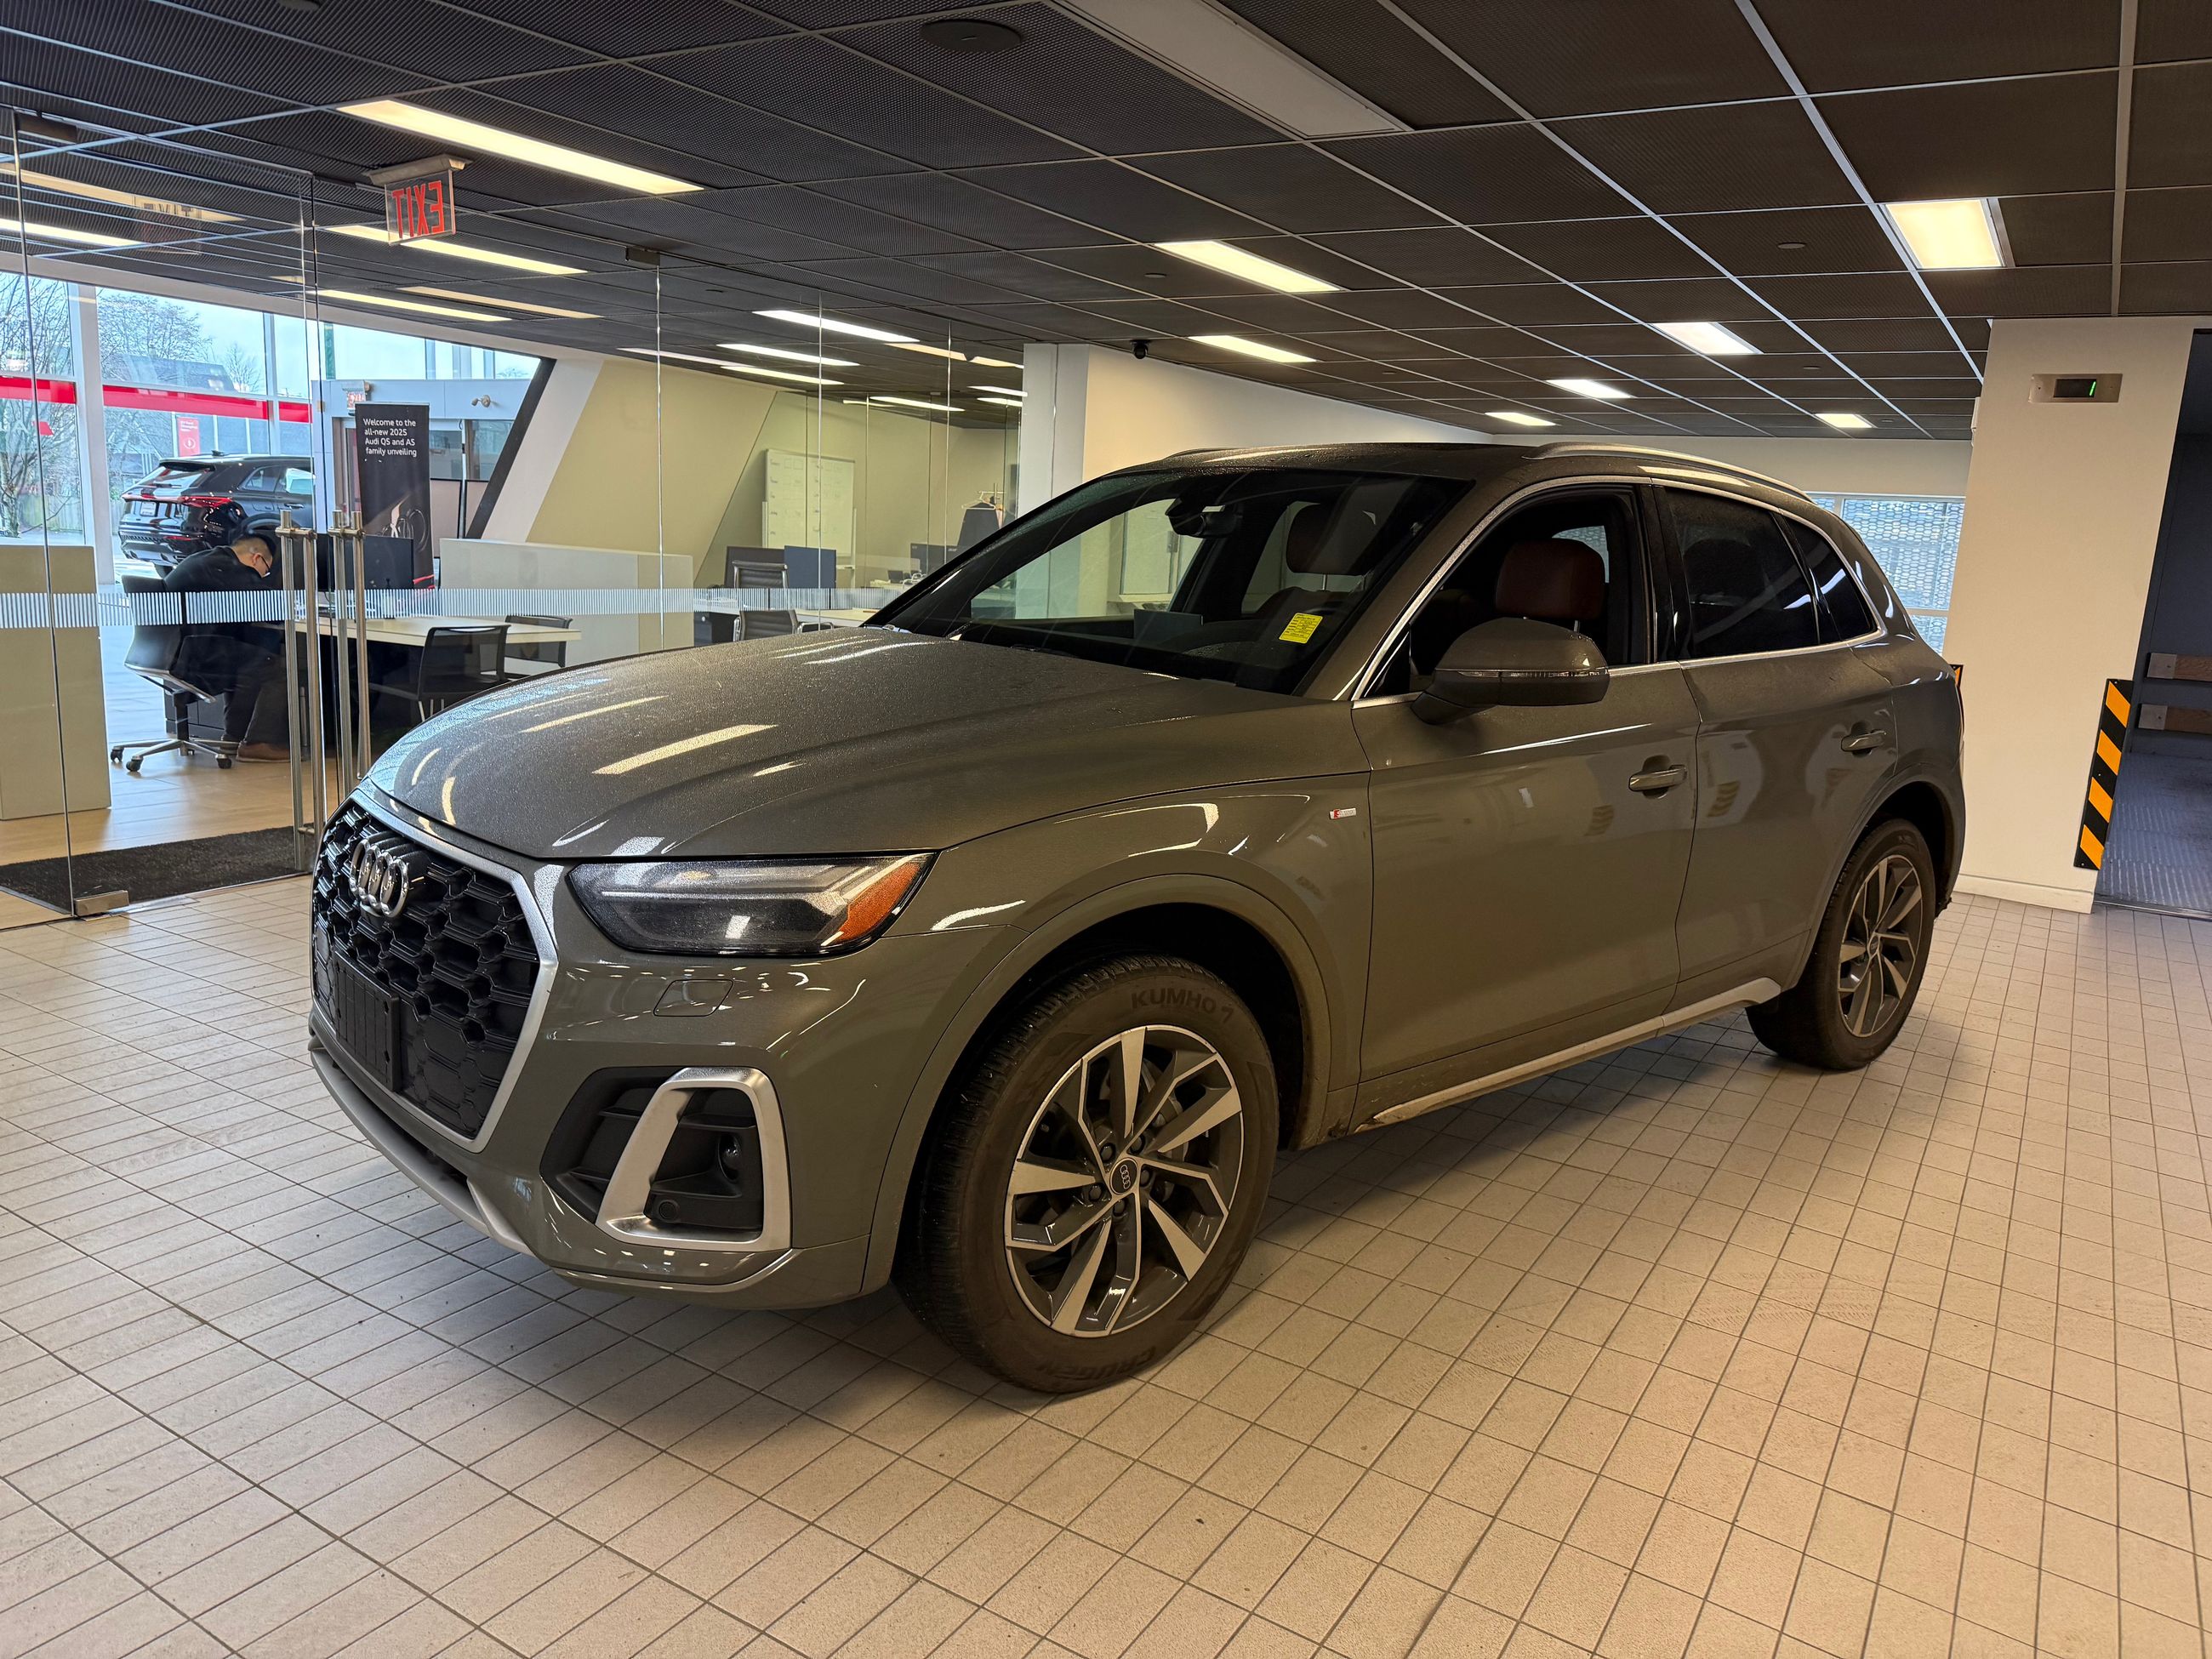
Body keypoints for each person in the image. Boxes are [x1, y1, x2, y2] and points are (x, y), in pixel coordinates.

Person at [162, 532, 289, 762]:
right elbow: (272, 607)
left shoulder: (205, 559)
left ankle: (232, 740)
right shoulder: (230, 569)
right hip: (193, 655)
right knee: (271, 663)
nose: (264, 575)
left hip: (169, 651)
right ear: (256, 558)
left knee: (248, 655)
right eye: (266, 570)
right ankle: (257, 743)